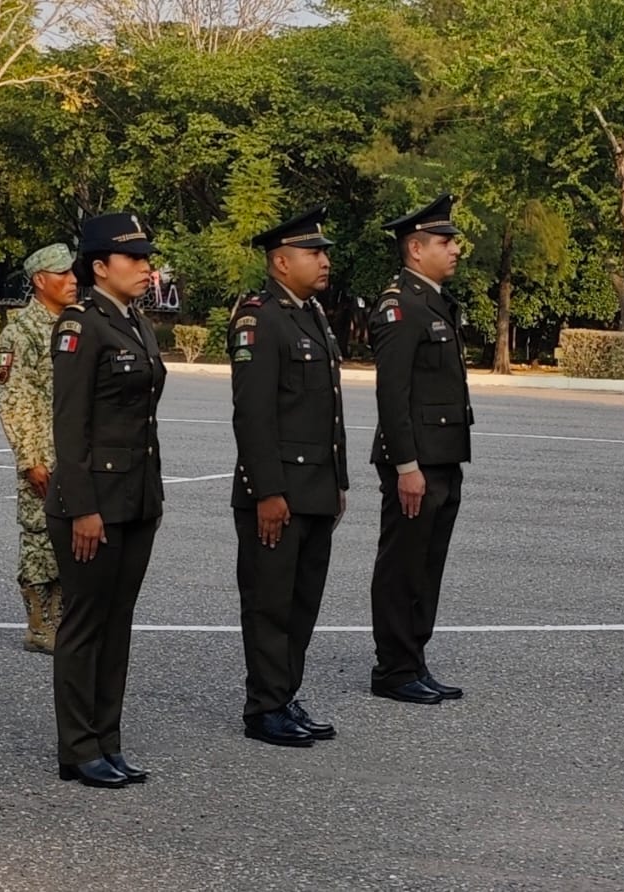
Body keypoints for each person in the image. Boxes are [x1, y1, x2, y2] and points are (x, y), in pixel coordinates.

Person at [46, 212, 165, 789]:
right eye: (133, 258)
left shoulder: (135, 322)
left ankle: (106, 740)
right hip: (92, 503)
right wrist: (83, 508)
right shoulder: (80, 325)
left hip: (136, 498)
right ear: (99, 266)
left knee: (117, 625)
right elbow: (70, 427)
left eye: (147, 258)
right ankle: (78, 746)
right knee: (86, 624)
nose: (145, 267)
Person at [228, 207, 348, 747]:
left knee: (302, 603)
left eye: (323, 252)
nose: (324, 261)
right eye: (313, 252)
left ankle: (285, 694)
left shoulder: (311, 314)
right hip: (278, 493)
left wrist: (338, 482)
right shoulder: (260, 318)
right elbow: (253, 415)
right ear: (281, 262)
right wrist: (268, 492)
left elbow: (328, 411)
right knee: (270, 604)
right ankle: (264, 707)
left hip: (315, 489)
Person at [368, 193, 473, 705]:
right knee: (403, 565)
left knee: (428, 565)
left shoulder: (432, 301)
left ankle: (413, 660)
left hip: (443, 456)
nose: (455, 249)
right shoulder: (400, 306)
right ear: (415, 248)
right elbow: (393, 394)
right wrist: (406, 465)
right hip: (415, 462)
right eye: (444, 241)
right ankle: (393, 668)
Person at [0, 242, 77, 654]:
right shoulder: (21, 332)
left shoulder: (75, 324)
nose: (73, 280)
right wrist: (30, 460)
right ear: (40, 281)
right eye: (63, 274)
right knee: (39, 540)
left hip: (75, 455)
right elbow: (14, 400)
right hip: (43, 456)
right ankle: (40, 624)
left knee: (69, 539)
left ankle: (64, 618)